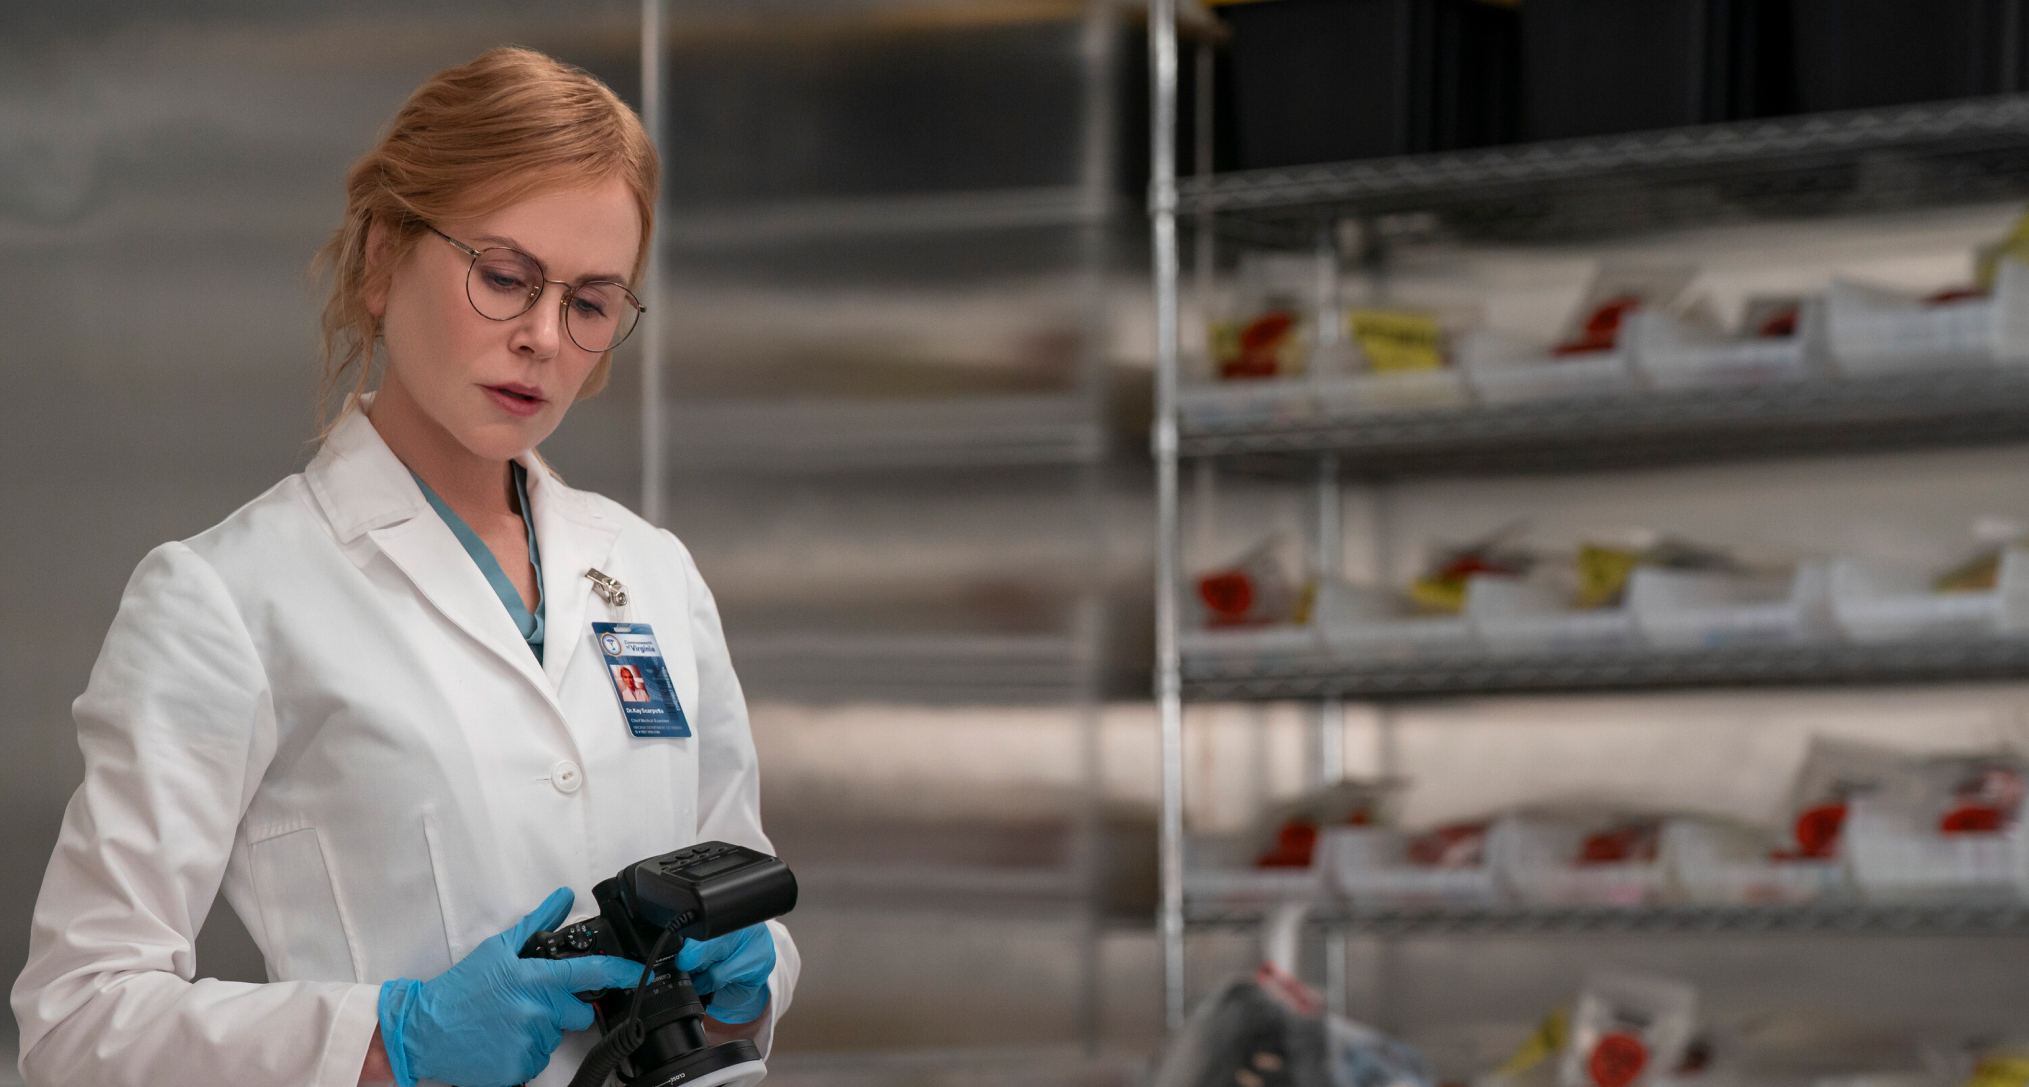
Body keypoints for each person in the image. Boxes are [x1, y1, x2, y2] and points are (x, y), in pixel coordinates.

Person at [11, 48, 795, 1087]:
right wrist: (394, 1037)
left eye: (591, 303)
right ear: (383, 261)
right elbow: (75, 1020)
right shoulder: (227, 600)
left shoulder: (651, 572)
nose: (542, 338)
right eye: (505, 276)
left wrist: (755, 967)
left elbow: (742, 887)